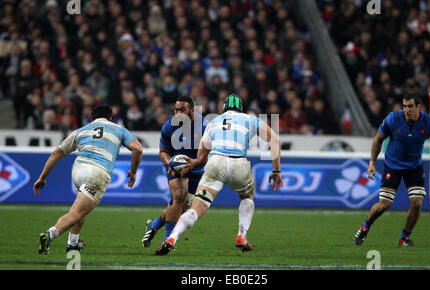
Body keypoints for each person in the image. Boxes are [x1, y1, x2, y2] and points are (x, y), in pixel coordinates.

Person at [154, 94, 284, 255]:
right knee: (247, 197)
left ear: (224, 108)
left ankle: (171, 238)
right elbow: (275, 140)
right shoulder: (251, 119)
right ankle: (241, 236)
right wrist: (276, 170)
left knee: (195, 208)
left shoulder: (213, 121)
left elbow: (201, 157)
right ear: (241, 108)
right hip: (239, 162)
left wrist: (193, 163)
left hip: (215, 162)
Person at [34, 105, 143, 254]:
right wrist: (133, 171)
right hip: (97, 172)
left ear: (92, 119)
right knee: (77, 213)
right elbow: (137, 149)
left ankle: (72, 243)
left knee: (80, 210)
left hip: (78, 170)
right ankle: (50, 234)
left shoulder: (81, 130)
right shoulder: (119, 129)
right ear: (110, 118)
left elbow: (57, 153)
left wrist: (42, 178)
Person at [354, 94, 430, 247]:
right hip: (393, 166)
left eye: (410, 106)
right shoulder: (393, 118)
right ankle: (364, 227)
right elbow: (378, 139)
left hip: (414, 167)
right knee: (384, 204)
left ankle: (404, 238)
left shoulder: (428, 122)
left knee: (417, 203)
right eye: (404, 106)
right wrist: (372, 162)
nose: (406, 110)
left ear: (418, 107)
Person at [141, 96, 209, 252]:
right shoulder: (169, 126)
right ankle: (167, 241)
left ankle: (155, 224)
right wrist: (170, 164)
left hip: (197, 169)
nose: (178, 113)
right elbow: (163, 151)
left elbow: (210, 153)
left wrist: (196, 162)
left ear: (192, 111)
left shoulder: (205, 126)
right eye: (176, 109)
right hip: (176, 167)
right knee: (179, 195)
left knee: (182, 207)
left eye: (182, 110)